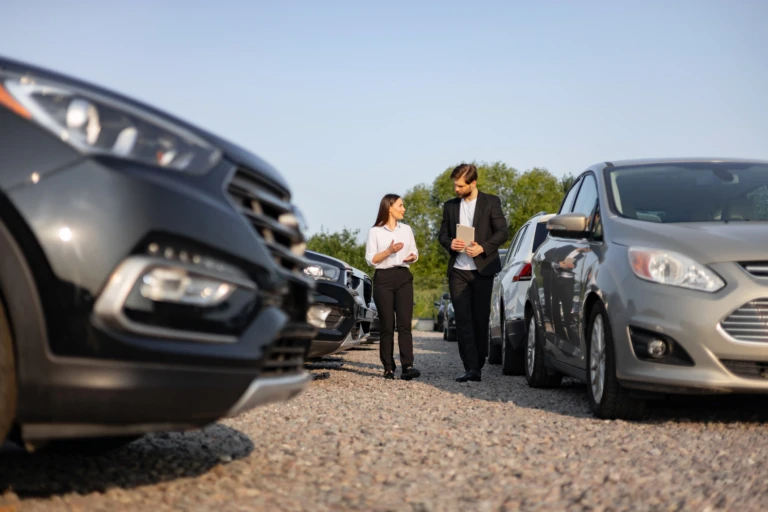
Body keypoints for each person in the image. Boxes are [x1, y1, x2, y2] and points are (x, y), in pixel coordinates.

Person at [438, 164, 509, 382]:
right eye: (455, 185)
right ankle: (471, 367)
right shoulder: (450, 206)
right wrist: (452, 243)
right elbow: (442, 235)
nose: (456, 189)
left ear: (473, 183)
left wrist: (483, 247)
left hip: (482, 271)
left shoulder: (491, 202)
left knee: (479, 319)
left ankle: (478, 362)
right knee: (462, 319)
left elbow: (502, 232)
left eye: (460, 186)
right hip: (458, 270)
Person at [365, 194, 422, 380]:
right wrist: (389, 251)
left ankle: (408, 366)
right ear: (390, 207)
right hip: (383, 278)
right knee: (387, 326)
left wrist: (413, 256)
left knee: (404, 324)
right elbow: (372, 260)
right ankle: (388, 367)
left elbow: (414, 251)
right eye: (400, 205)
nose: (404, 209)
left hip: (404, 276)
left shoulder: (406, 229)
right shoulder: (375, 231)